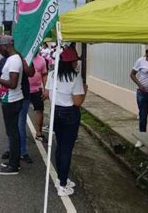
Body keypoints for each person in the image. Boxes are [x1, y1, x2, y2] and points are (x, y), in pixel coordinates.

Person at [45, 46, 86, 197]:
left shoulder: (51, 74)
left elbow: (47, 94)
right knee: (67, 149)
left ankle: (61, 178)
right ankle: (62, 184)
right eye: (75, 61)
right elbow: (77, 102)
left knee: (60, 145)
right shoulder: (75, 77)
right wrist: (85, 92)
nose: (77, 63)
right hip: (70, 114)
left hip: (56, 112)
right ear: (70, 62)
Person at [0, 36, 23, 175]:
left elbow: (13, 84)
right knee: (12, 132)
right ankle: (14, 161)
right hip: (9, 99)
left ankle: (13, 166)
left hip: (12, 100)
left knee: (13, 133)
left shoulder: (14, 60)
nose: (0, 51)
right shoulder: (11, 59)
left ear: (5, 46)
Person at [130, 43, 148, 147]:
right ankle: (141, 139)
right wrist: (140, 85)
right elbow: (132, 74)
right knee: (143, 116)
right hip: (143, 94)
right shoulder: (140, 61)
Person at [29, 52, 48, 142]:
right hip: (24, 90)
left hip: (37, 90)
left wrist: (45, 89)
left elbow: (44, 75)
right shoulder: (25, 57)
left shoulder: (42, 60)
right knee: (20, 111)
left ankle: (39, 132)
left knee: (40, 110)